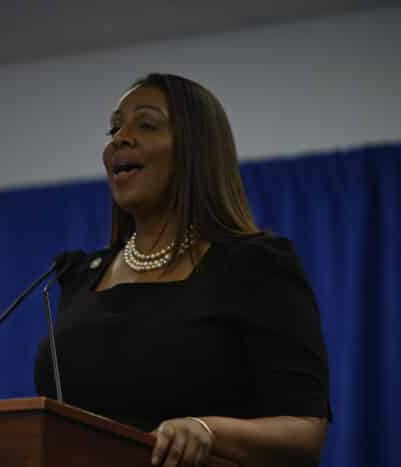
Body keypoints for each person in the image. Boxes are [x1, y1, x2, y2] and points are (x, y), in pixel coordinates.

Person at [34, 73, 331, 467]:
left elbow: (305, 429)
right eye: (114, 127)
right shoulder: (83, 276)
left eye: (147, 124)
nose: (119, 138)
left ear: (196, 150)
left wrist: (207, 430)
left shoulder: (254, 264)